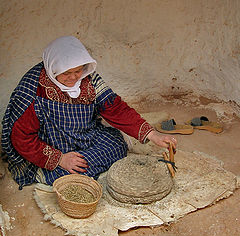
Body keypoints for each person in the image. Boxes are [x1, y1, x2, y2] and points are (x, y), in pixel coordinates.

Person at [1, 36, 177, 190]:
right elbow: (21, 138)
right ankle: (47, 173)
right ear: (53, 68)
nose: (73, 77)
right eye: (66, 73)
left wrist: (153, 135)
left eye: (78, 70)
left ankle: (73, 170)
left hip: (86, 136)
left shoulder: (87, 79)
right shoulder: (32, 90)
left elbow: (115, 108)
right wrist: (60, 159)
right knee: (73, 168)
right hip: (51, 146)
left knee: (117, 144)